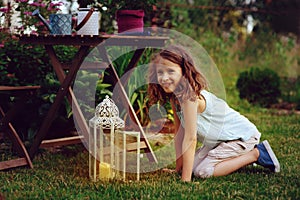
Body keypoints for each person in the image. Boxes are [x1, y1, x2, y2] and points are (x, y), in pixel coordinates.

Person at [147, 45, 280, 182]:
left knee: (202, 172)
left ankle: (257, 153)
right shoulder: (175, 98)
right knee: (191, 166)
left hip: (241, 137)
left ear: (184, 72)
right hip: (219, 142)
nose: (164, 77)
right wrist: (179, 169)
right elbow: (179, 134)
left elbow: (190, 139)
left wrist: (185, 179)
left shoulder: (190, 98)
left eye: (170, 71)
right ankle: (235, 158)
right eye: (160, 72)